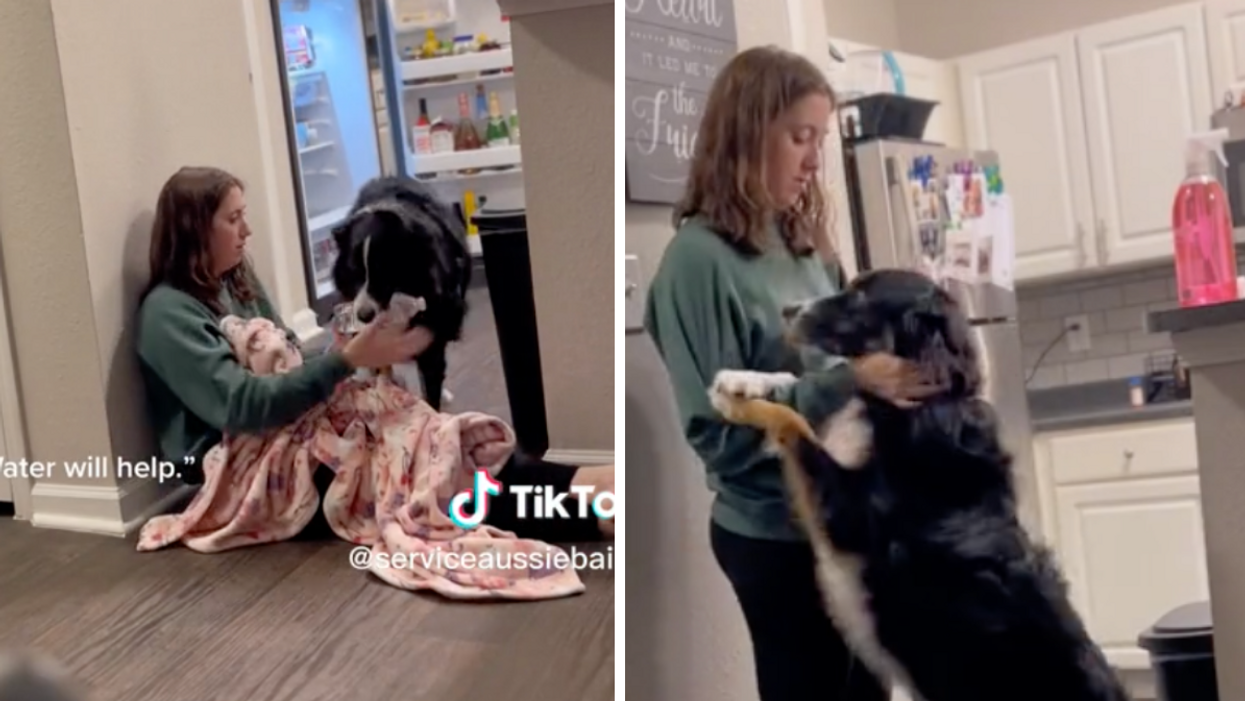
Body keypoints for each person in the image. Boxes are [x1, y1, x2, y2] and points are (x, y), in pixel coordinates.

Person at [643, 47, 937, 700]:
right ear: (747, 133)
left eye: (819, 140)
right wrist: (852, 379)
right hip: (774, 539)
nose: (812, 159)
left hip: (848, 526)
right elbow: (720, 431)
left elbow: (846, 375)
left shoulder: (807, 248)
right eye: (798, 137)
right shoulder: (696, 263)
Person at [135, 166, 612, 543]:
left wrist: (349, 356)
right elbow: (240, 406)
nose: (248, 230)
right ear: (195, 229)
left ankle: (587, 483)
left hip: (296, 427)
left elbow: (291, 356)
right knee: (422, 475)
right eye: (234, 219)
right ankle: (592, 509)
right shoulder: (166, 315)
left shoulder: (236, 280)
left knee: (436, 437)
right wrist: (347, 360)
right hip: (245, 461)